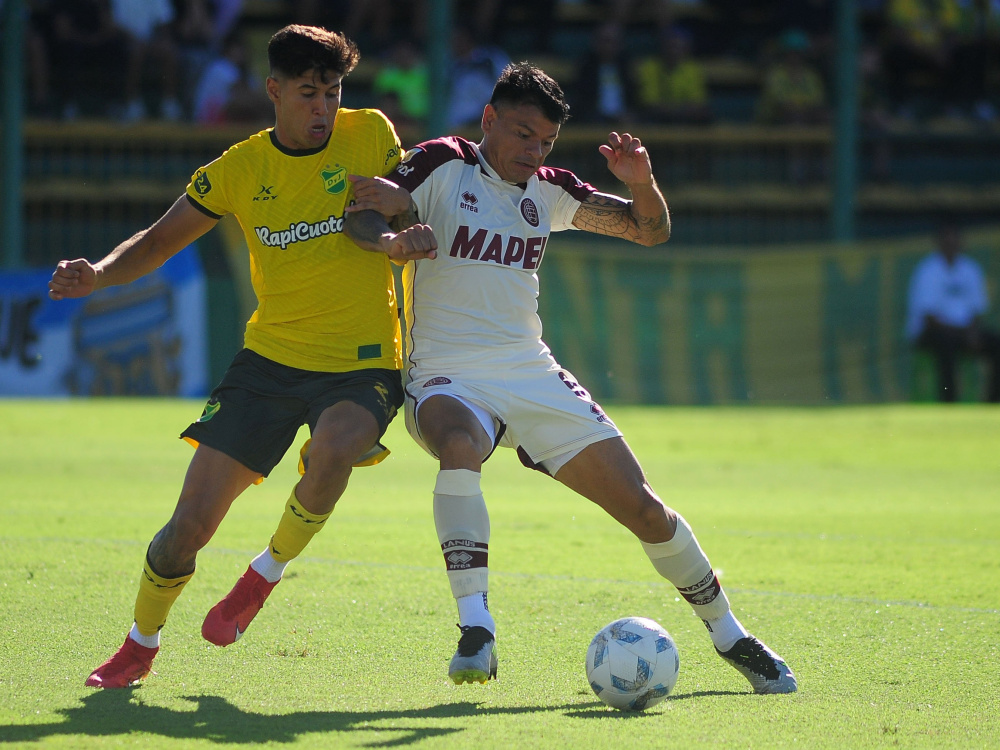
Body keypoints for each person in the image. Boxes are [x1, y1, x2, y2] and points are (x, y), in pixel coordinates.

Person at [344, 62, 797, 694]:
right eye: (524, 135)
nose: (534, 152)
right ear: (489, 120)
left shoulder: (549, 190)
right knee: (459, 445)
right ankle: (475, 627)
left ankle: (732, 635)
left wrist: (643, 184)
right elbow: (362, 212)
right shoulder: (439, 162)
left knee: (643, 507)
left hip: (529, 370)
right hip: (445, 371)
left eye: (547, 143)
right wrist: (391, 240)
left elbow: (649, 231)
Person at [48, 24, 436, 689]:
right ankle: (139, 644)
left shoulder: (370, 132)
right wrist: (101, 273)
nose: (324, 109)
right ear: (274, 91)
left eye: (333, 93)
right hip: (267, 364)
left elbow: (400, 205)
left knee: (334, 449)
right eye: (309, 94)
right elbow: (159, 241)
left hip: (363, 361)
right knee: (184, 532)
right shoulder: (237, 169)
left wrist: (405, 228)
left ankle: (262, 576)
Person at [906, 219, 1000, 402]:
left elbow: (977, 310)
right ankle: (949, 402)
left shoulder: (970, 269)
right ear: (939, 242)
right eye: (947, 239)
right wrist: (964, 334)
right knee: (946, 343)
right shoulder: (928, 270)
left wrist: (971, 333)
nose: (951, 243)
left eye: (954, 239)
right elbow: (929, 318)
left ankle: (992, 402)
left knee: (996, 343)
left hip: (964, 332)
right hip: (933, 333)